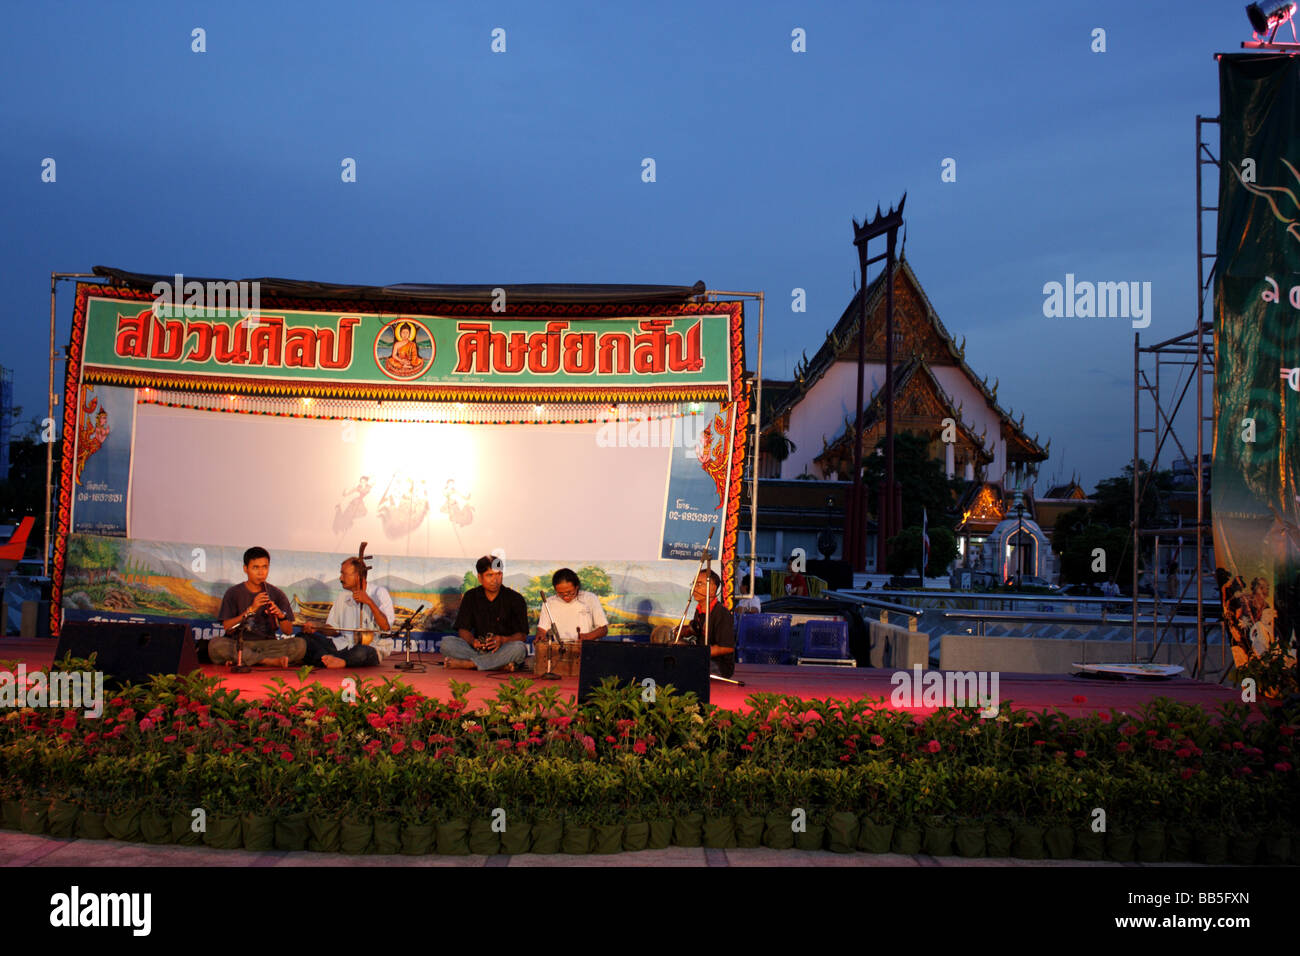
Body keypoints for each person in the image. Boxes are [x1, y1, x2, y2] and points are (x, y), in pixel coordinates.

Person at [211, 547, 306, 667]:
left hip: (268, 645)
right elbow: (228, 627)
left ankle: (244, 659)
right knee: (215, 645)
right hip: (241, 644)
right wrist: (250, 610)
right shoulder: (233, 593)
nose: (261, 573)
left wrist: (280, 616)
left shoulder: (276, 593)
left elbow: (288, 631)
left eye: (265, 567)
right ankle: (266, 661)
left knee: (300, 645)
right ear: (245, 569)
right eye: (255, 567)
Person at [301, 557, 394, 668]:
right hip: (343, 645)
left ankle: (336, 661)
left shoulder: (379, 593)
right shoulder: (343, 596)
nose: (340, 578)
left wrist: (369, 602)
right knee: (303, 638)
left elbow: (386, 627)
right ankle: (332, 659)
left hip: (371, 647)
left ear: (358, 576)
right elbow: (333, 630)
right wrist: (317, 627)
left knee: (361, 651)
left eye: (344, 574)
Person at [442, 555, 529, 671]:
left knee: (519, 649)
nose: (495, 580)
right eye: (490, 575)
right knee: (446, 643)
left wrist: (502, 640)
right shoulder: (471, 596)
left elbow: (522, 636)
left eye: (498, 574)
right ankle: (498, 664)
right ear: (480, 577)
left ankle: (470, 664)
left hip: (503, 648)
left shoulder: (515, 599)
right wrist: (473, 641)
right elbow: (463, 629)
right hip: (477, 649)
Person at [650, 569, 736, 677]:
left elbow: (727, 647)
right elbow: (699, 634)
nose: (694, 588)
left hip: (719, 665)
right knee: (671, 646)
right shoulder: (699, 611)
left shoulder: (721, 613)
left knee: (678, 659)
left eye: (699, 584)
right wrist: (684, 632)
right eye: (694, 584)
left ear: (713, 588)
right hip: (701, 656)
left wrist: (695, 652)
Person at [536, 568, 608, 643]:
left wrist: (587, 637)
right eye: (560, 594)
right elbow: (542, 629)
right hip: (560, 647)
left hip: (585, 646)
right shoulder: (549, 602)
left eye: (570, 592)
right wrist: (540, 637)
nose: (566, 596)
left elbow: (603, 629)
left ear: (577, 587)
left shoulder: (590, 598)